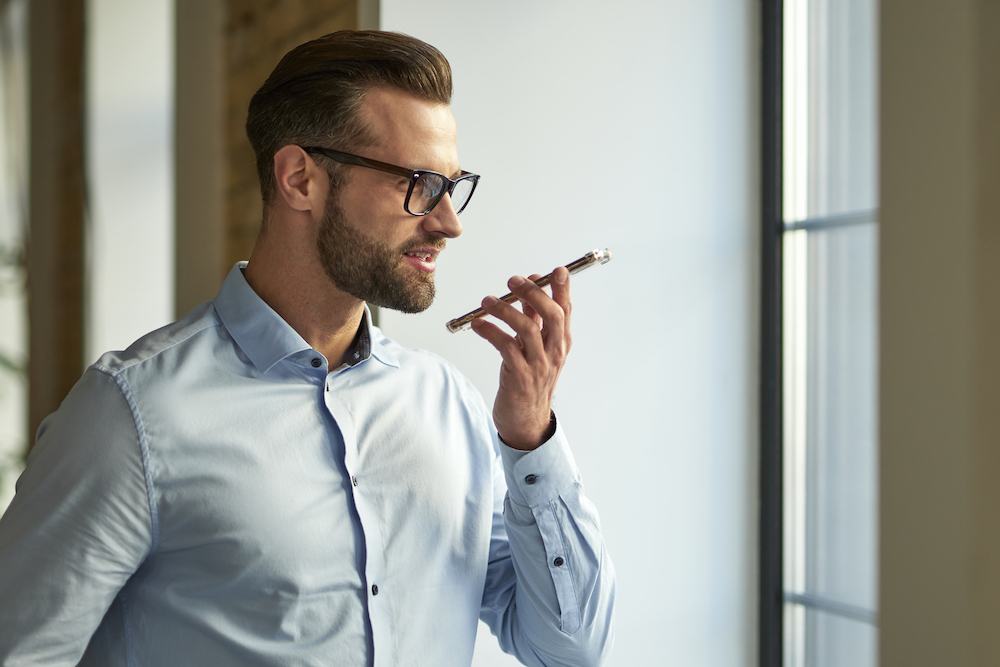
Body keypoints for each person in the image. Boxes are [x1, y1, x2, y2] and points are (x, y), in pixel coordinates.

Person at [0, 30, 615, 666]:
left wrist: (530, 438)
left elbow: (568, 649)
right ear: (299, 179)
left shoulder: (449, 407)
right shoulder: (131, 417)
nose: (448, 221)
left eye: (452, 187)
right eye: (420, 184)